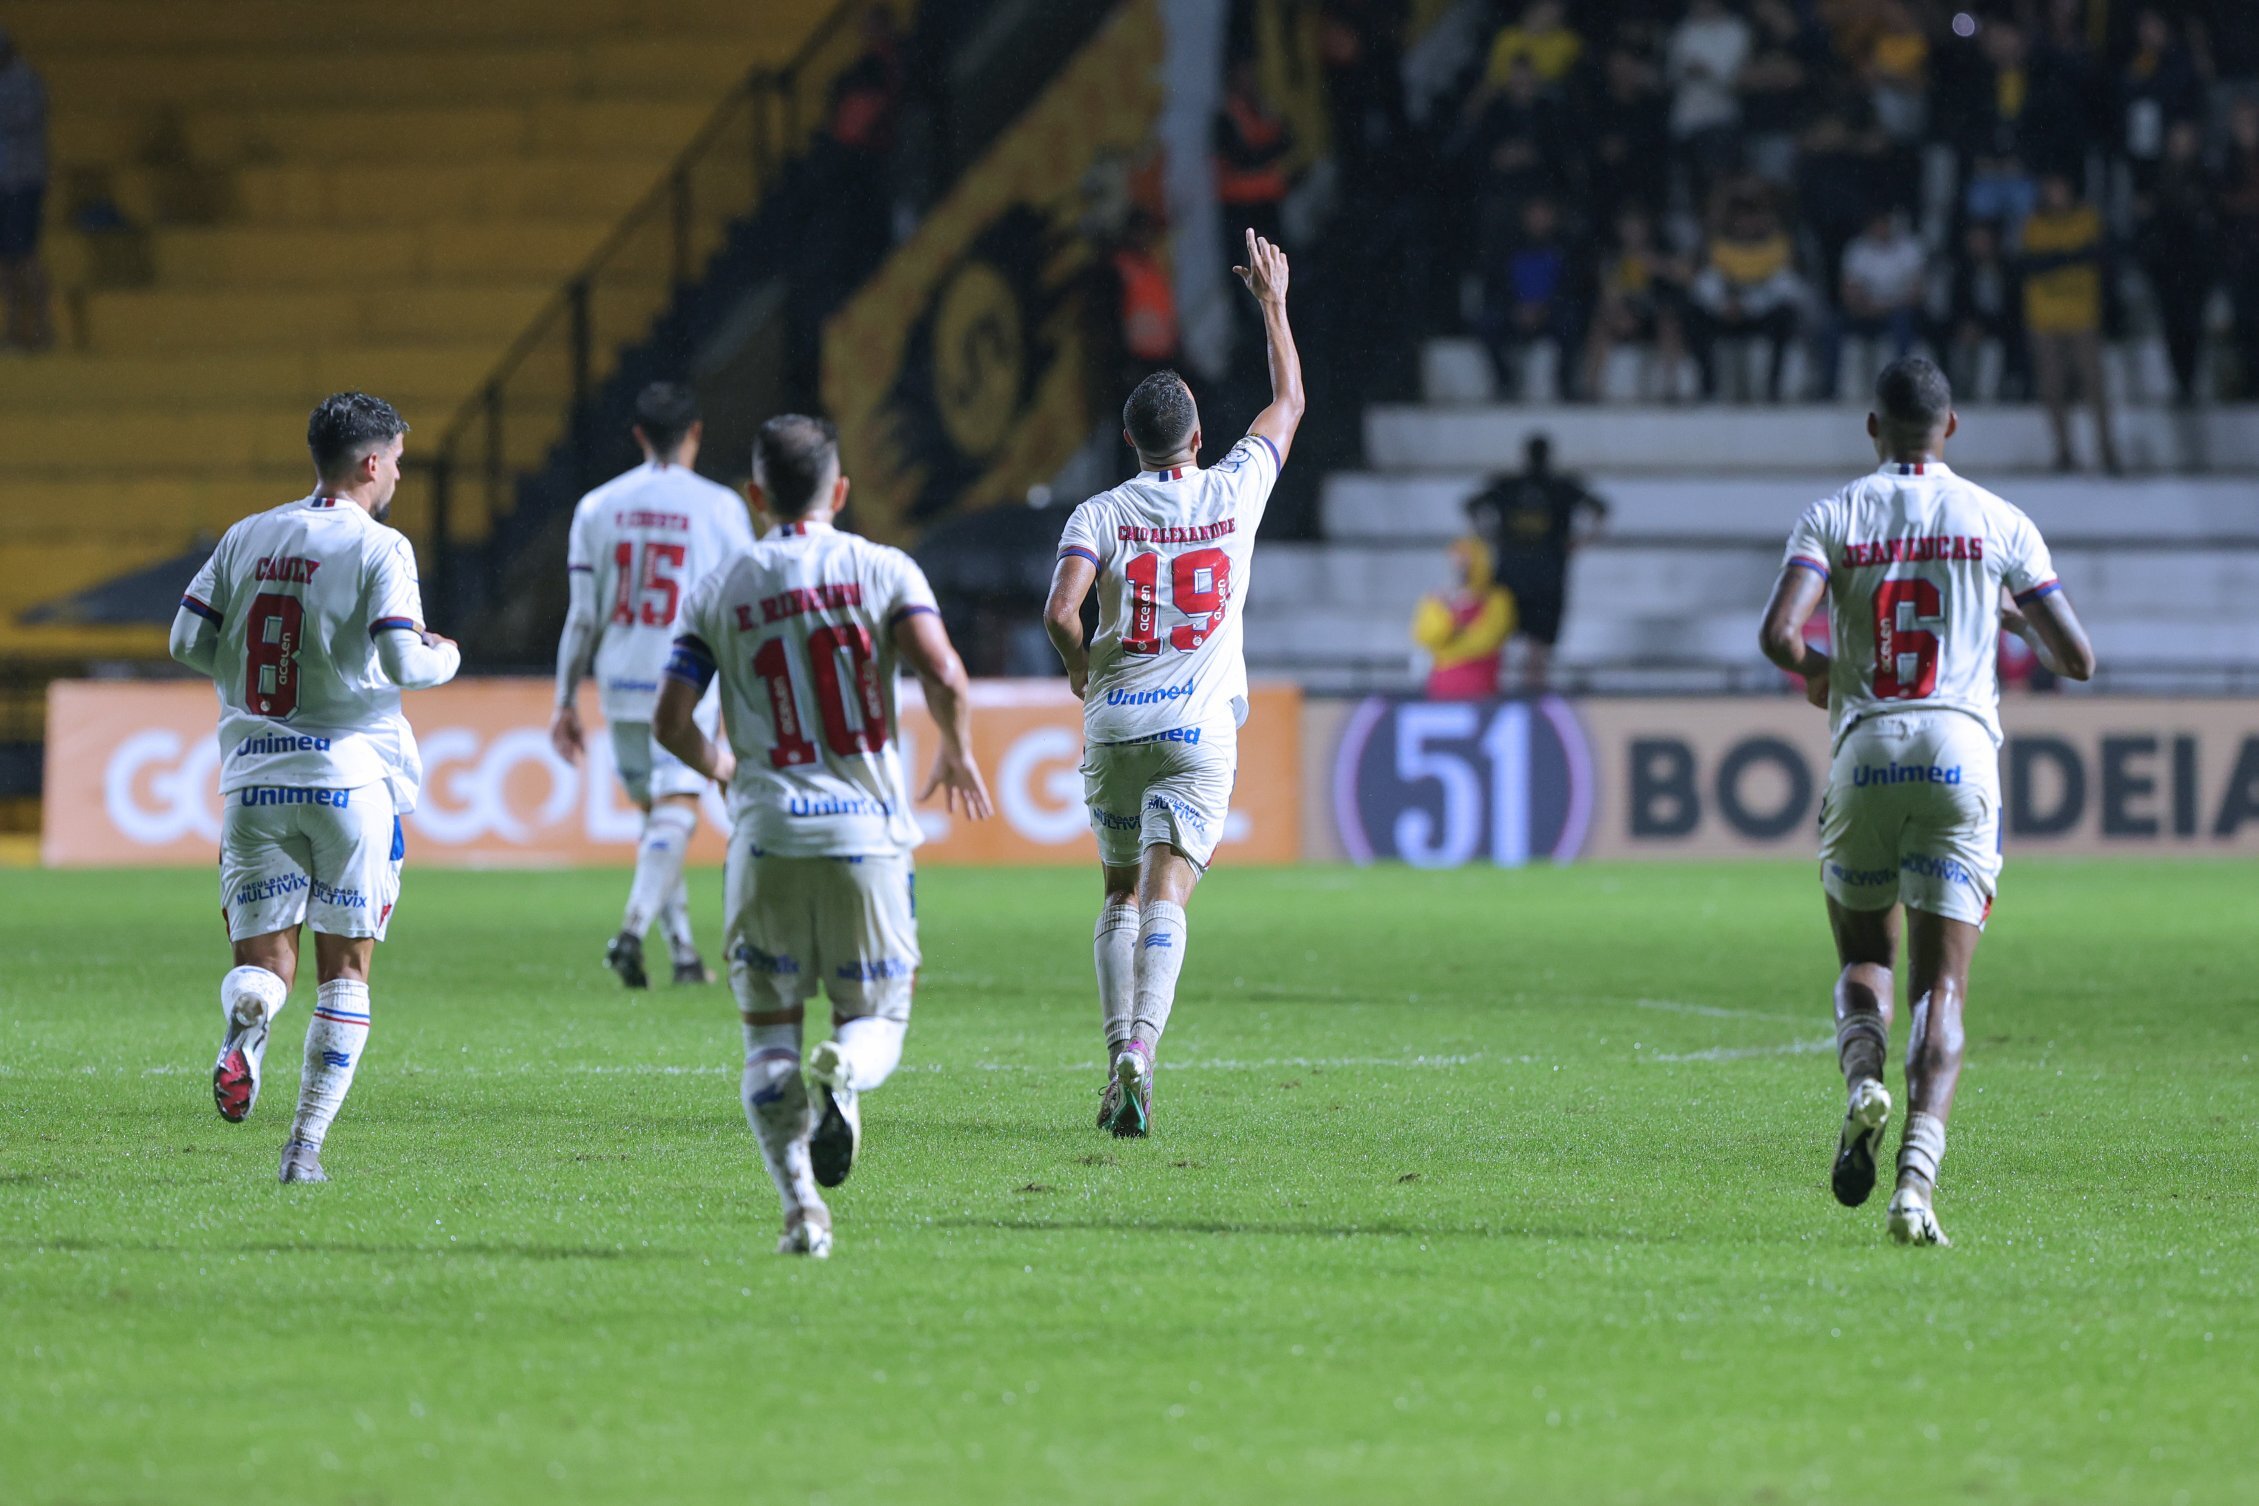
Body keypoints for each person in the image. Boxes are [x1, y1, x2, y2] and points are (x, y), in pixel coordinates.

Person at [1757, 357, 2095, 1247]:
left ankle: (1861, 1080)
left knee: (1864, 961)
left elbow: (1778, 636)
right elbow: (2078, 661)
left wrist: (1824, 676)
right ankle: (1914, 1188)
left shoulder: (1833, 513)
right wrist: (2009, 615)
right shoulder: (1999, 520)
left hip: (1865, 744)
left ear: (1873, 428)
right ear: (1952, 428)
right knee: (1940, 985)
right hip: (1959, 750)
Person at [655, 414, 993, 1259]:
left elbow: (668, 720)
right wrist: (954, 746)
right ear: (840, 491)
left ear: (754, 495)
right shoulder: (882, 568)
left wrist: (724, 768)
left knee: (766, 1041)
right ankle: (844, 1066)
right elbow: (944, 672)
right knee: (876, 1018)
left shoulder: (719, 586)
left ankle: (802, 1209)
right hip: (868, 839)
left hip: (765, 838)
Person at [1042, 229, 1304, 1138]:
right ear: (1197, 436)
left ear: (1128, 441)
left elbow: (1059, 611)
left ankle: (1116, 1050)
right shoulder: (1233, 489)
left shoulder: (1101, 511)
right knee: (1167, 896)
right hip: (1199, 730)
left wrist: (1083, 673)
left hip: (1115, 723)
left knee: (1117, 893)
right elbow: (1288, 403)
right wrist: (1271, 302)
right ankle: (1143, 1054)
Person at [168, 393, 462, 1184]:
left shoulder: (246, 533)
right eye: (396, 458)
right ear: (371, 464)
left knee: (265, 960)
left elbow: (186, 638)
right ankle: (303, 1149)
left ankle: (248, 1019)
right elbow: (403, 662)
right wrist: (449, 655)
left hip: (256, 781)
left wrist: (246, 681)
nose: (398, 471)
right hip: (349, 780)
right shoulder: (381, 547)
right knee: (346, 971)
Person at [551, 384, 757, 989]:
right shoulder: (720, 507)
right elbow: (745, 600)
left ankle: (685, 953)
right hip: (689, 679)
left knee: (656, 818)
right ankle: (634, 931)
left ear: (638, 435)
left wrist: (565, 698)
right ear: (695, 431)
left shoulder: (597, 506)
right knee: (676, 811)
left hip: (619, 679)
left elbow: (582, 615)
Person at [1464, 434, 1607, 693]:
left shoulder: (1509, 485)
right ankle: (1533, 691)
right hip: (1547, 572)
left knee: (1501, 633)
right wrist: (1582, 541)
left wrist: (1489, 536)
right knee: (1537, 642)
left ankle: (1496, 689)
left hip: (1513, 570)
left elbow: (1472, 506)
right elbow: (1600, 509)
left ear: (1524, 455)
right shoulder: (1560, 486)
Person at [2020, 172, 2119, 473]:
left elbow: (2097, 256)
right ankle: (2064, 452)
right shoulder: (2035, 224)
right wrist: (2073, 257)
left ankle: (2107, 453)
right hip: (2044, 319)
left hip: (2082, 316)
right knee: (2053, 388)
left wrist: (2056, 259)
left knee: (2094, 387)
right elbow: (2032, 264)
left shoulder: (2087, 219)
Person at [1831, 209, 1927, 396]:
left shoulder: (1910, 248)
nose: (1881, 230)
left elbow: (1917, 292)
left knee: (1903, 322)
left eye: (1885, 225)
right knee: (1832, 327)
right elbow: (1848, 291)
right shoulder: (1857, 250)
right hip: (1865, 311)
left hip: (1898, 312)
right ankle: (1832, 387)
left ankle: (1901, 384)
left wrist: (1886, 306)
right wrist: (1866, 306)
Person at [0, 27, 53, 352]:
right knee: (7, 260)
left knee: (24, 256)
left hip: (21, 182)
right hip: (7, 182)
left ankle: (42, 330)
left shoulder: (24, 82)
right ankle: (15, 330)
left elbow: (19, 121)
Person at [1412, 537, 1515, 700]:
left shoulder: (1497, 599)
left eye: (1466, 561)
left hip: (1484, 690)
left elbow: (1487, 640)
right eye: (1456, 560)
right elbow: (1426, 636)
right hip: (1441, 691)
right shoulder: (1438, 599)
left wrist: (1448, 649)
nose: (1460, 567)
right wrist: (1448, 612)